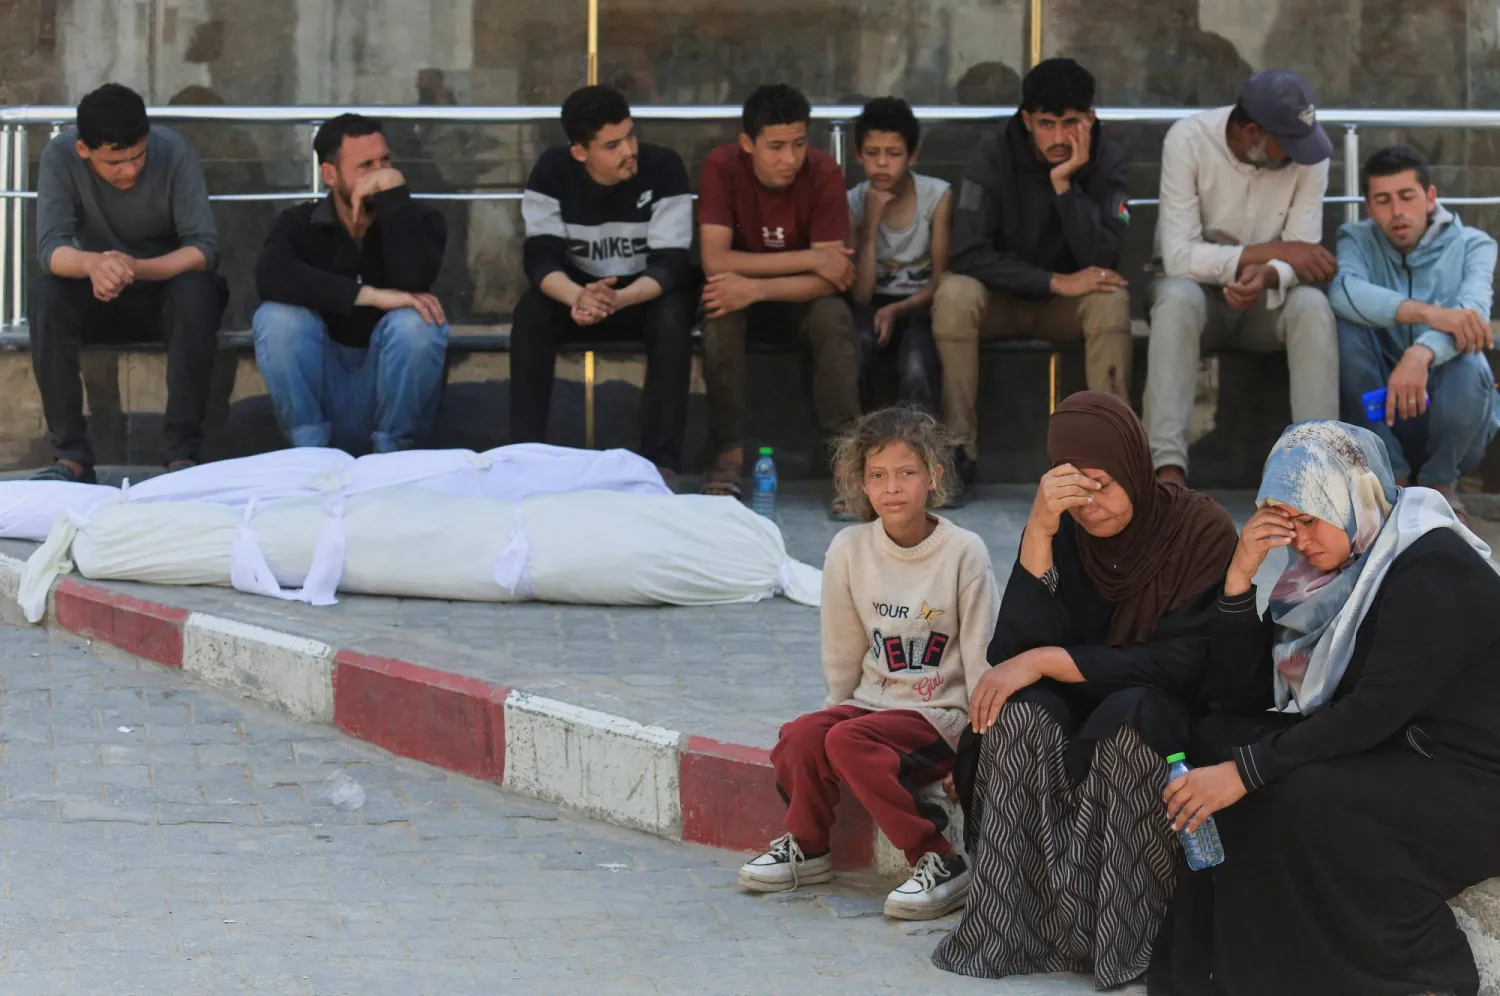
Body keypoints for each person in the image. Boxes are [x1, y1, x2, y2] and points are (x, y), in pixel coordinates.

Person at [1149, 421, 1500, 996]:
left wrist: (1244, 774)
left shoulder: (1434, 565)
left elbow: (1370, 713)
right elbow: (1241, 697)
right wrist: (1239, 580)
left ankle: (1422, 971)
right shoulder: (1326, 576)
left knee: (1291, 793)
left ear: (1354, 498)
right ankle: (1216, 971)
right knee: (1218, 736)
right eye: (1287, 526)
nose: (1298, 544)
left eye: (1308, 521)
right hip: (1396, 752)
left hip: (1472, 783)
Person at [932, 392, 1238, 988]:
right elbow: (1012, 655)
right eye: (1074, 490)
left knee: (1129, 717)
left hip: (1166, 712)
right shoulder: (1063, 526)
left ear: (1133, 467)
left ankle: (1116, 936)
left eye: (1102, 484)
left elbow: (1183, 663)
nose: (1091, 506)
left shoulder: (1200, 528)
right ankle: (1010, 927)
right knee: (1016, 714)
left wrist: (1052, 658)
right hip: (1078, 706)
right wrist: (1042, 531)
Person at [737, 405, 999, 920]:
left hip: (938, 717)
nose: (892, 487)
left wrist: (976, 746)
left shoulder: (964, 552)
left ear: (934, 477)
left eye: (907, 473)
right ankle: (808, 848)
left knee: (845, 742)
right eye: (877, 476)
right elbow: (842, 646)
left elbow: (981, 654)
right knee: (803, 735)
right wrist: (833, 711)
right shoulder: (849, 548)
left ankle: (939, 861)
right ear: (861, 482)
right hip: (870, 706)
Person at [933, 57, 1133, 490]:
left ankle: (1113, 459)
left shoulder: (1109, 158)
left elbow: (1107, 256)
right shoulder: (993, 154)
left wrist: (1065, 185)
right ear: (1026, 120)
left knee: (1110, 298)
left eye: (1071, 123)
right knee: (954, 294)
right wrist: (1054, 281)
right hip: (1001, 300)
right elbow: (965, 253)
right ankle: (957, 454)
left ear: (1090, 118)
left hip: (1064, 308)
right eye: (1046, 124)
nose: (1059, 137)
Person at [1146, 68, 1340, 487]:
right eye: (1287, 145)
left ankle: (1321, 471)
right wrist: (1273, 252)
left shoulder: (1310, 156)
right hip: (1196, 297)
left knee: (1312, 306)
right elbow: (1178, 257)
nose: (1298, 155)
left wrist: (1270, 270)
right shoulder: (1188, 140)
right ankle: (1166, 470)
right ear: (1252, 132)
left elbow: (1302, 253)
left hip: (1267, 303)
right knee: (1175, 298)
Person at [30, 82, 227, 482]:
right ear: (84, 150)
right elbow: (50, 250)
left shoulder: (174, 151)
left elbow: (204, 248)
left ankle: (182, 455)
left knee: (197, 289)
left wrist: (132, 268)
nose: (131, 170)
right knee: (45, 294)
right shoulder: (60, 157)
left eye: (139, 156)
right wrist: (94, 265)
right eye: (115, 163)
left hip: (164, 294)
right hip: (98, 294)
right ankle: (71, 457)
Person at [512, 86, 695, 481]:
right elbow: (539, 257)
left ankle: (661, 463)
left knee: (673, 315)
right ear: (580, 151)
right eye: (612, 145)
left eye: (630, 135)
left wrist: (620, 298)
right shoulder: (552, 170)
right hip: (578, 296)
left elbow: (673, 263)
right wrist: (578, 296)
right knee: (531, 312)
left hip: (641, 296)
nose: (629, 150)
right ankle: (522, 456)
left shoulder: (663, 168)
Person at [697, 83, 861, 513]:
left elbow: (835, 277)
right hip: (745, 300)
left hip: (798, 299)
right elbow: (715, 260)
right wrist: (811, 257)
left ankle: (847, 463)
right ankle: (728, 455)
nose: (789, 159)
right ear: (747, 143)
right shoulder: (722, 166)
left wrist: (755, 286)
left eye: (799, 144)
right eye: (775, 147)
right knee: (718, 312)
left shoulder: (823, 172)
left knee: (833, 318)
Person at [252, 114, 448, 455]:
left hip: (384, 388)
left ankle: (393, 455)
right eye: (366, 166)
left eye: (386, 162)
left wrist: (395, 201)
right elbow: (270, 275)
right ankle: (309, 454)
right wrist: (368, 296)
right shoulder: (299, 223)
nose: (381, 175)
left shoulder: (422, 221)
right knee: (276, 318)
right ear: (330, 175)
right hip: (323, 387)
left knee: (418, 322)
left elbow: (414, 280)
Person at [1329, 145, 1499, 521]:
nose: (1398, 212)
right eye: (1384, 201)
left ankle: (1440, 483)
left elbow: (1473, 314)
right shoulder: (1356, 239)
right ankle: (1392, 476)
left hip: (1456, 429)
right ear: (1369, 207)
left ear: (1430, 197)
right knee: (1345, 329)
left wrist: (1420, 353)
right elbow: (1343, 292)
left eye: (1407, 197)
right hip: (1382, 415)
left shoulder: (1475, 245)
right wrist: (1431, 315)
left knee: (1470, 356)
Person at [846, 97, 951, 416]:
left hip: (918, 304)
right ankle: (859, 452)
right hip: (871, 304)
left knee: (916, 362)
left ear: (912, 156)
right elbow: (861, 294)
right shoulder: (853, 201)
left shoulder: (937, 196)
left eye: (893, 154)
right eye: (871, 154)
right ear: (857, 155)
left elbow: (941, 281)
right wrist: (872, 223)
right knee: (856, 351)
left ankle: (922, 454)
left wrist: (898, 309)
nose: (881, 164)